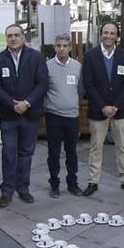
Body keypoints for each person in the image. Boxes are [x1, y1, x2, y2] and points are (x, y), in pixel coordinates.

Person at [0, 24, 49, 208]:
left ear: (23, 37)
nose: (13, 38)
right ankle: (6, 191)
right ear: (6, 39)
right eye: (9, 36)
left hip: (30, 115)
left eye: (16, 35)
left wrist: (26, 103)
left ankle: (23, 188)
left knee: (26, 154)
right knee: (8, 154)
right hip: (8, 115)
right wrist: (12, 103)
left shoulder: (36, 57)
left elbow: (42, 83)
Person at [81, 22, 124, 195]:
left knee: (122, 147)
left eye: (112, 33)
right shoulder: (91, 55)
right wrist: (103, 106)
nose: (108, 36)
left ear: (117, 36)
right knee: (95, 147)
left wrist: (116, 105)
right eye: (106, 32)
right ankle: (93, 182)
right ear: (101, 34)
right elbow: (89, 84)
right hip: (98, 110)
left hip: (120, 110)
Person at [44, 33, 84, 198]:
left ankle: (72, 183)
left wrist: (71, 101)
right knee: (53, 152)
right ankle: (54, 184)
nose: (61, 49)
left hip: (72, 116)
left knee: (71, 152)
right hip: (53, 116)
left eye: (65, 46)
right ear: (55, 47)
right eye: (58, 46)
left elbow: (81, 90)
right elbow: (43, 88)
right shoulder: (47, 66)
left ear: (69, 47)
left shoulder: (77, 66)